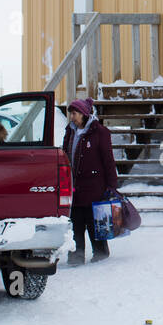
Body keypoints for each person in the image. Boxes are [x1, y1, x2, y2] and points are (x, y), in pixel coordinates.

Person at [62, 98, 119, 265]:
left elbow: (108, 161)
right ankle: (75, 257)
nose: (72, 117)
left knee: (95, 223)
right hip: (75, 187)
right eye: (71, 113)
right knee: (76, 224)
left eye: (75, 113)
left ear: (84, 114)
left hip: (94, 186)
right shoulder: (70, 132)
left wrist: (111, 185)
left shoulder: (100, 132)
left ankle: (101, 256)